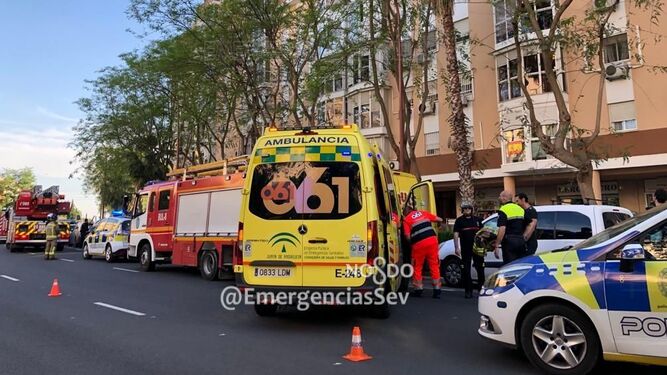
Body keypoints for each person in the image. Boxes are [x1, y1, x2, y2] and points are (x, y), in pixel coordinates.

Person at [403, 207, 444, 298]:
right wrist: (439, 225)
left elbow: (407, 236)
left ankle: (418, 289)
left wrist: (411, 242)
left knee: (417, 266)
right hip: (432, 242)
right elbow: (439, 219)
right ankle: (437, 289)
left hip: (419, 245)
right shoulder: (424, 213)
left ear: (406, 213)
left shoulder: (406, 220)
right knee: (434, 265)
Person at [454, 202, 484, 299]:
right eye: (465, 209)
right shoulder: (459, 221)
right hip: (465, 248)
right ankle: (468, 291)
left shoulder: (478, 220)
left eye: (469, 209)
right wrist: (456, 247)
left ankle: (481, 290)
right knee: (466, 270)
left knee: (480, 269)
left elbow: (484, 232)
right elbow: (455, 234)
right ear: (462, 210)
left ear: (471, 209)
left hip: (477, 248)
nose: (467, 210)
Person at [494, 190, 526, 265]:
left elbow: (502, 228)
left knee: (510, 266)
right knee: (520, 265)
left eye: (500, 196)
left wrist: (497, 245)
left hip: (509, 241)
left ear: (504, 198)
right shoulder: (520, 209)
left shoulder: (503, 210)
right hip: (521, 240)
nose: (499, 198)